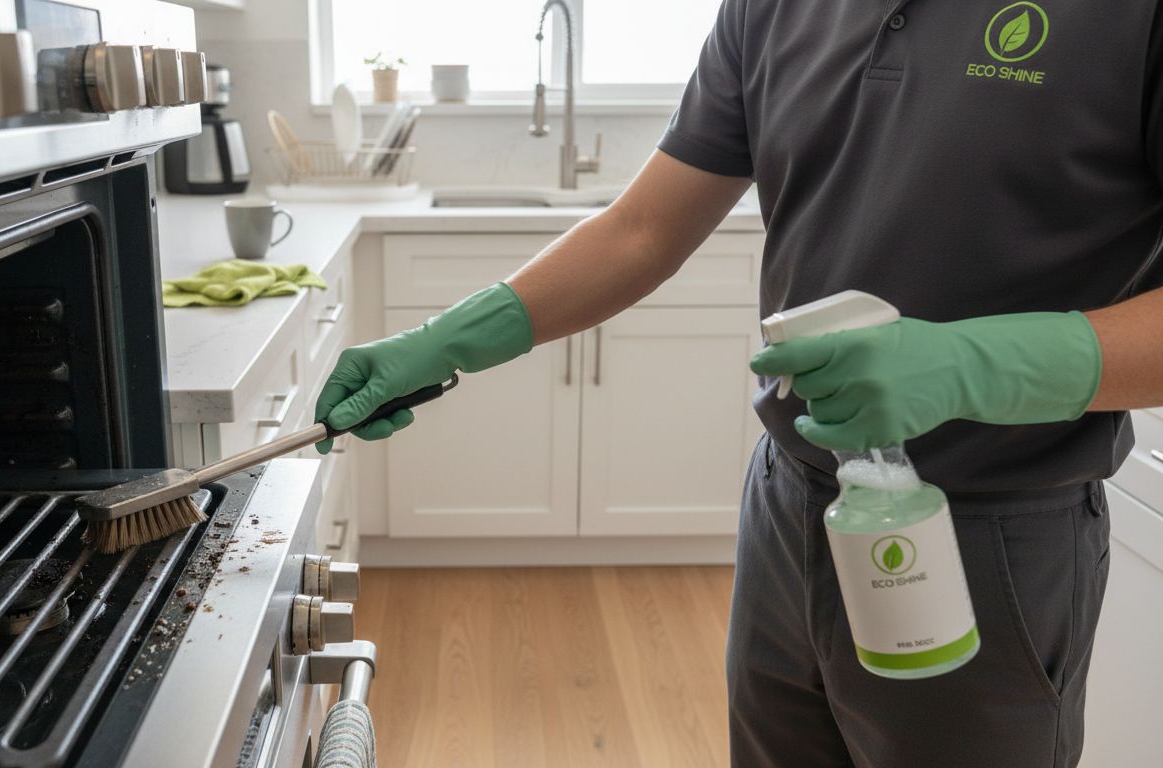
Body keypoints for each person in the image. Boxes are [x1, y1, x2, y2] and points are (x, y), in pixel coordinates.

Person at [312, 2, 1163, 765]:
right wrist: (447, 340)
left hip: (992, 535)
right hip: (790, 509)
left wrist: (970, 364)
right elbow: (644, 228)